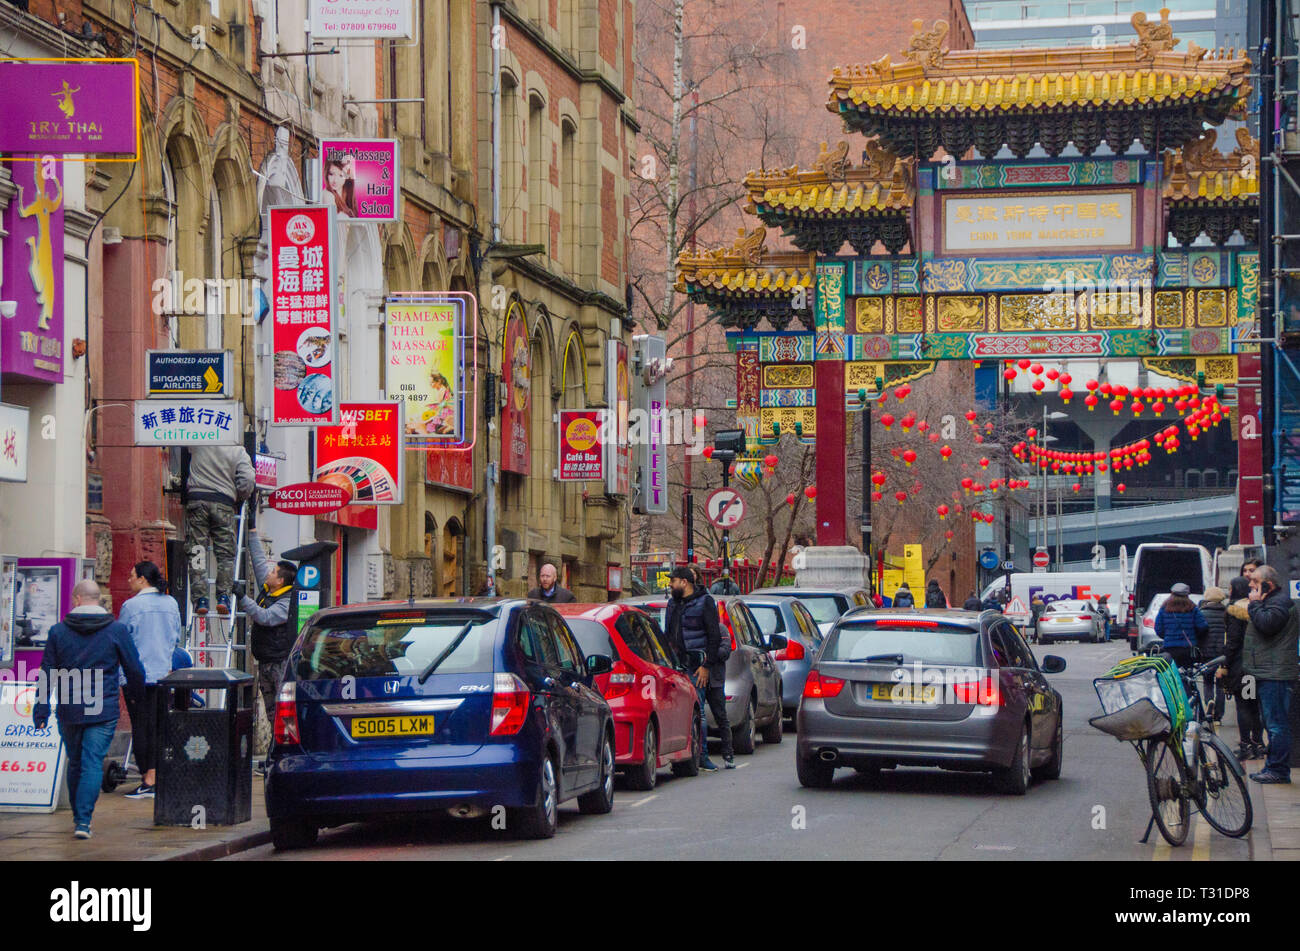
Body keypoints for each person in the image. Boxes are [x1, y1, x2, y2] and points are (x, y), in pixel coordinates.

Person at [32, 580, 145, 839]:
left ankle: (78, 817)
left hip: (69, 707)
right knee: (92, 762)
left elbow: (46, 672)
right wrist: (138, 699)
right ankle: (83, 821)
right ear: (98, 600)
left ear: (76, 599)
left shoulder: (58, 632)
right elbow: (134, 668)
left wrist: (41, 710)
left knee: (76, 762)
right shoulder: (116, 630)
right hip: (102, 707)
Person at [117, 562, 183, 800]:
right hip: (164, 674)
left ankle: (149, 778)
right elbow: (176, 636)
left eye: (132, 575)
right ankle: (158, 775)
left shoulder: (131, 606)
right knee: (160, 726)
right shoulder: (171, 603)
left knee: (142, 728)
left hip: (138, 676)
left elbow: (122, 640)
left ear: (143, 579)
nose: (128, 579)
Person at [664, 566, 733, 770]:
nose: (670, 585)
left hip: (696, 665)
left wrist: (706, 666)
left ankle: (701, 755)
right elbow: (668, 634)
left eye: (673, 581)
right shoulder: (672, 604)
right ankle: (681, 756)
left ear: (684, 583)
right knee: (680, 712)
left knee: (698, 710)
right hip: (677, 665)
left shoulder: (705, 602)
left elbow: (713, 636)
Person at [235, 524, 298, 727]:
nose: (269, 573)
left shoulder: (286, 602)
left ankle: (286, 744)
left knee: (284, 709)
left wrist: (242, 597)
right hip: (265, 661)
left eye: (274, 571)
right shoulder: (269, 589)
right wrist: (252, 532)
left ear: (280, 581)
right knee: (271, 711)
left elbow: (265, 617)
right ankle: (274, 746)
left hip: (279, 663)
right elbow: (259, 562)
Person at [1243, 565, 1298, 784]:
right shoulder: (1274, 602)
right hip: (1268, 671)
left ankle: (1278, 770)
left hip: (1275, 673)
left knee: (1276, 725)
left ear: (1268, 585)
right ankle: (1273, 767)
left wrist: (1255, 604)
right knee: (1271, 722)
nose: (1250, 585)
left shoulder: (1279, 603)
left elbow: (1267, 625)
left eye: (1254, 582)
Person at [186, 445, 255, 616]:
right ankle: (223, 596)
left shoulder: (199, 438)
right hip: (224, 501)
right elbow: (248, 479)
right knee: (226, 554)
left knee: (197, 551)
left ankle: (200, 599)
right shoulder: (238, 450)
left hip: (197, 499)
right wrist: (239, 496)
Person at [1218, 576, 1264, 760]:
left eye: (1230, 588)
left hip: (1241, 666)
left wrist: (1224, 664)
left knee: (1243, 705)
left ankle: (1246, 745)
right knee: (1254, 706)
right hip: (1256, 665)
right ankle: (1258, 743)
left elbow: (1233, 641)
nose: (1229, 592)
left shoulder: (1235, 611)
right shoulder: (1257, 608)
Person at [1154, 583, 1207, 668]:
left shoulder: (1164, 608)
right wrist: (1194, 636)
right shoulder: (1192, 608)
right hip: (1188, 649)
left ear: (1172, 594)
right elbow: (1202, 627)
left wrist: (1168, 636)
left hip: (1170, 648)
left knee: (1172, 673)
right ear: (1187, 595)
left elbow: (1158, 628)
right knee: (1187, 673)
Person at [1197, 587, 1228, 723]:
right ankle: (1219, 715)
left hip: (1206, 652)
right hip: (1222, 653)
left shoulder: (1201, 613)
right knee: (1221, 684)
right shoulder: (1227, 613)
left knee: (1207, 681)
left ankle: (1209, 702)